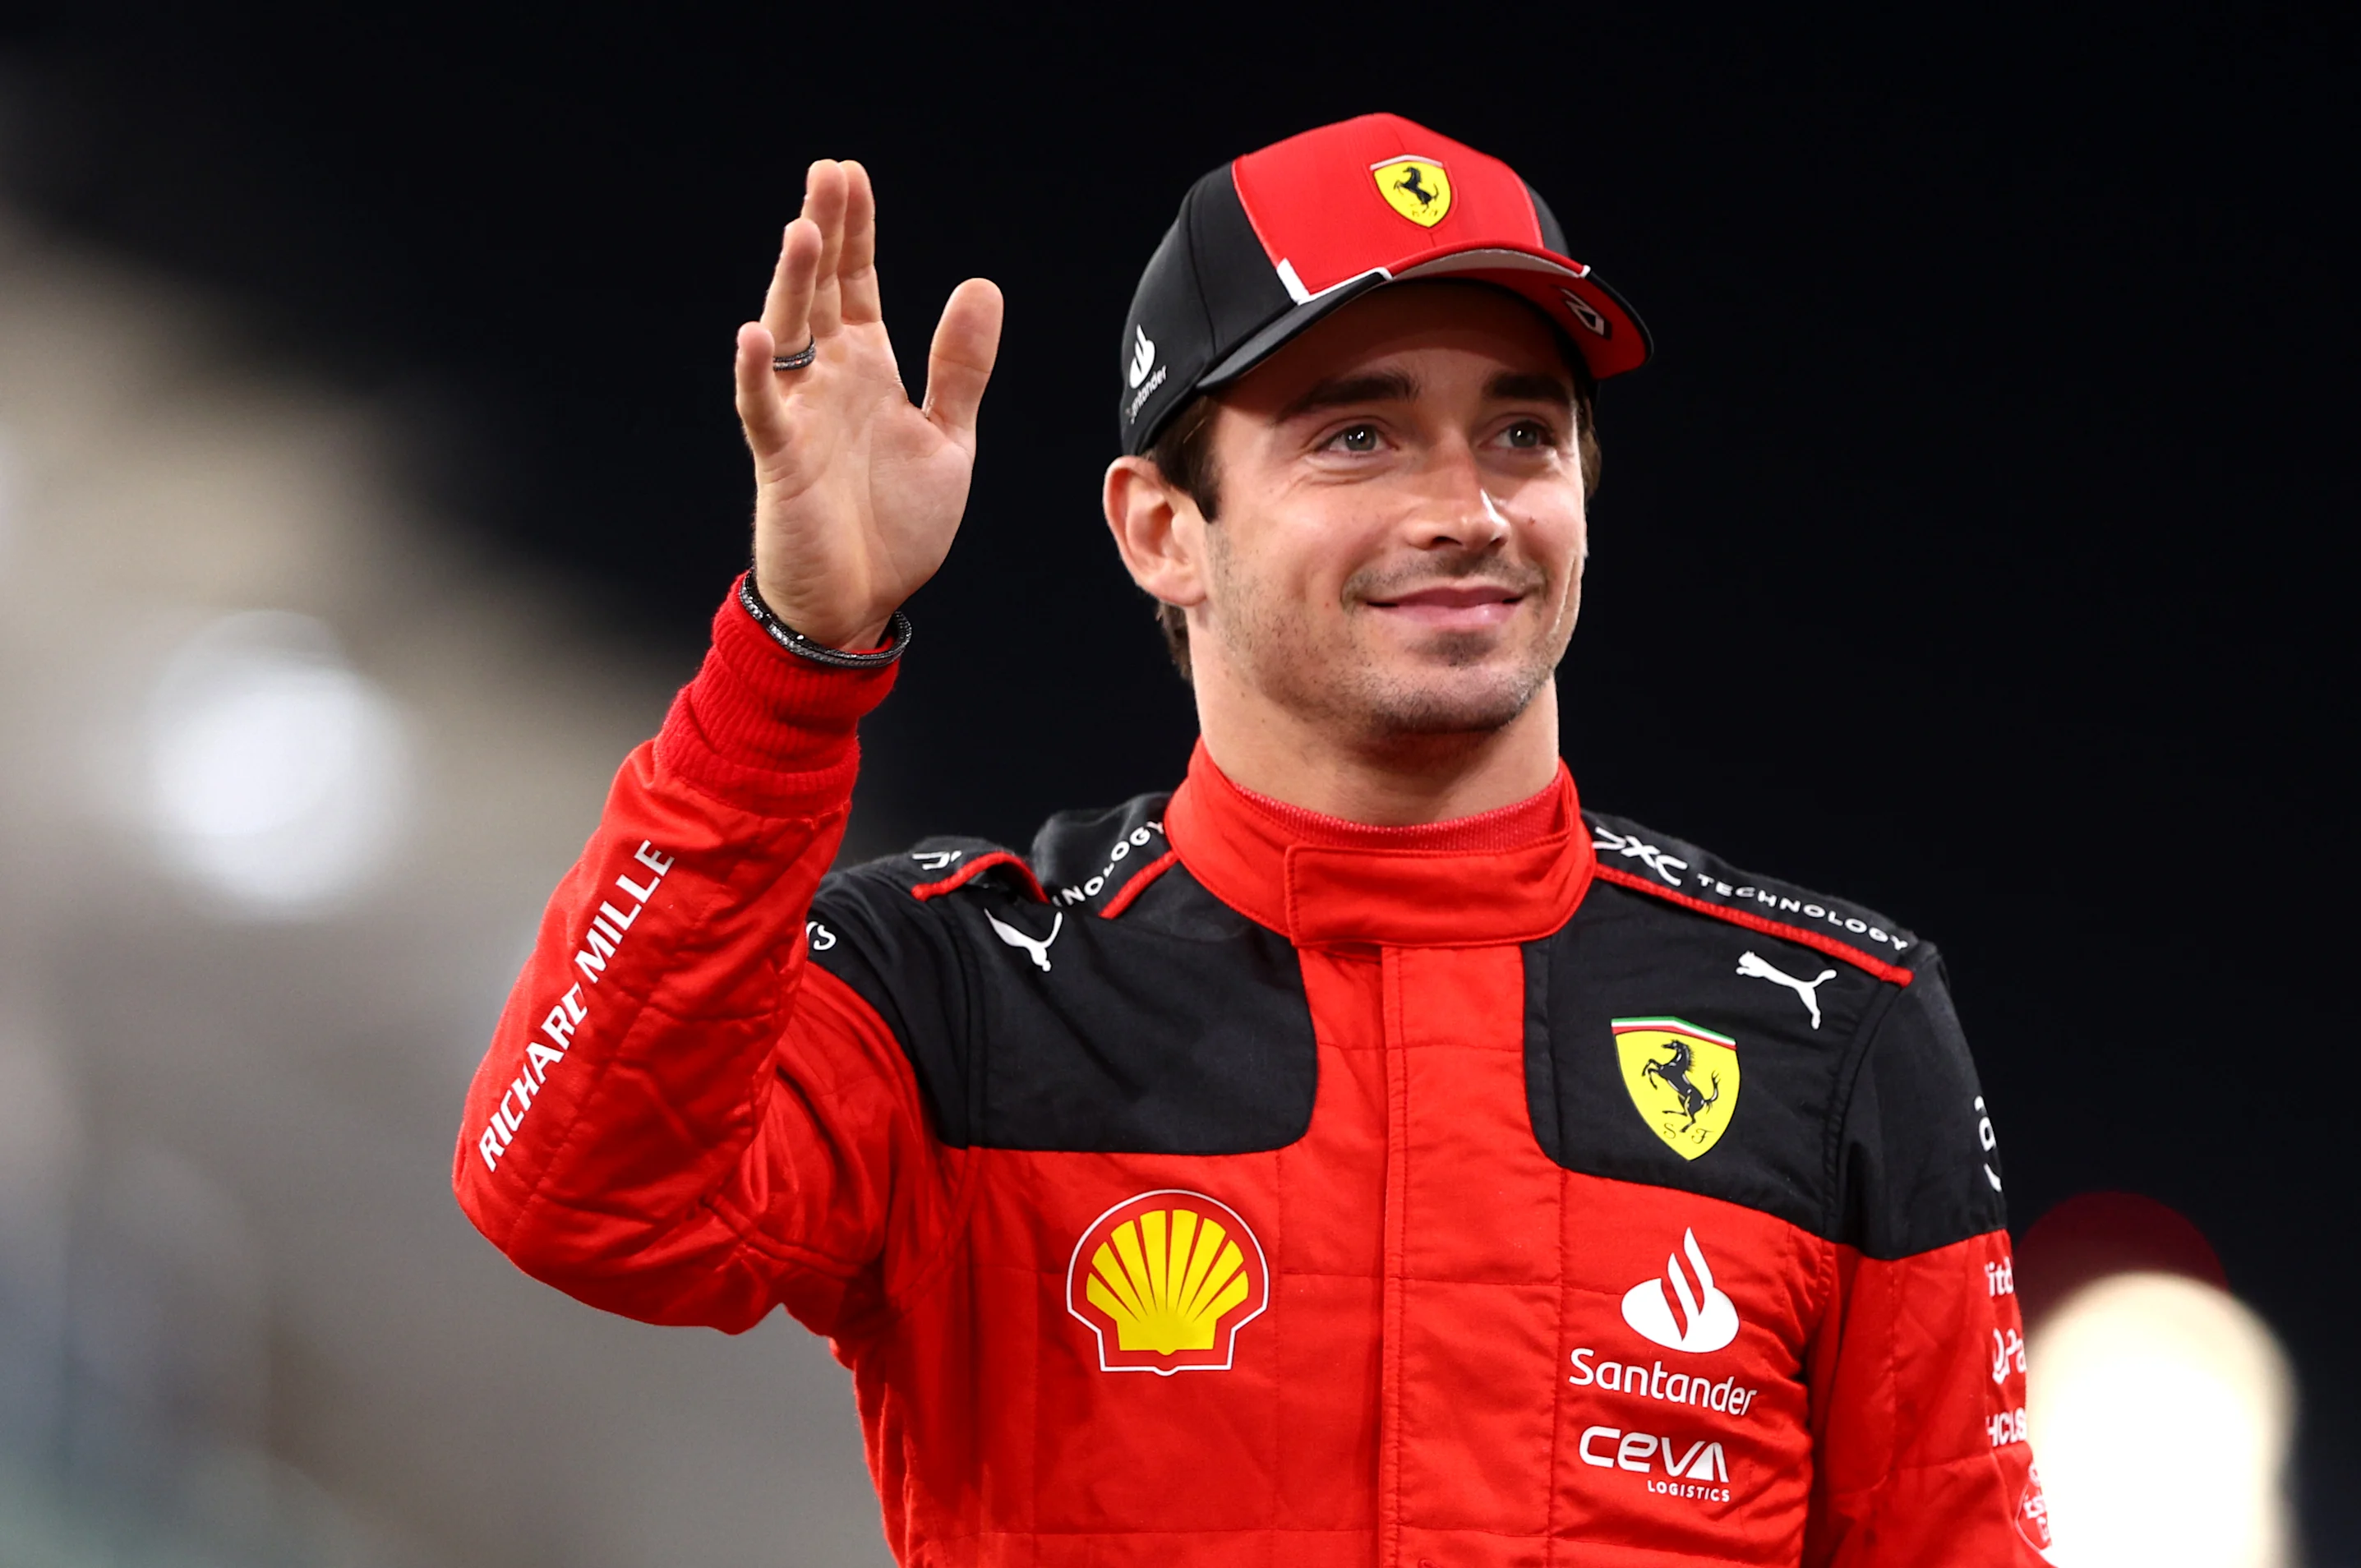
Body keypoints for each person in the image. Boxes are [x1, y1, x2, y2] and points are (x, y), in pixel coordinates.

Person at [455, 113, 2051, 1566]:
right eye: (1356, 438)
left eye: (1520, 435)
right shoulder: (959, 996)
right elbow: (584, 1200)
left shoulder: (1835, 1022)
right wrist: (795, 660)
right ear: (1163, 531)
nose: (1466, 507)